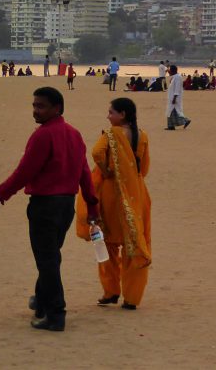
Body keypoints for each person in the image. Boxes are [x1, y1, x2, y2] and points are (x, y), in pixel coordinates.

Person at [0, 87, 100, 331]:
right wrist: (92, 203)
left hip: (45, 206)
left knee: (47, 260)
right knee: (50, 256)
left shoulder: (43, 135)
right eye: (34, 105)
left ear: (57, 108)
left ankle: (55, 313)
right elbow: (84, 172)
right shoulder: (74, 134)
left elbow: (25, 171)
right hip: (66, 206)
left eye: (41, 106)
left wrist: (1, 193)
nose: (35, 111)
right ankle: (41, 301)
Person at [76, 98, 152, 310]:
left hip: (111, 192)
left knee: (107, 243)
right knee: (134, 241)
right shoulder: (142, 136)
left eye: (111, 112)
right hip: (136, 192)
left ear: (123, 115)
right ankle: (132, 298)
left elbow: (96, 153)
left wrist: (106, 170)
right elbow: (144, 169)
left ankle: (111, 292)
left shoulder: (110, 135)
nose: (108, 116)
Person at [164, 65, 190, 130]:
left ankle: (186, 120)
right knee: (170, 111)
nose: (169, 72)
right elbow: (170, 75)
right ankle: (171, 126)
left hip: (175, 97)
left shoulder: (178, 77)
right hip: (171, 97)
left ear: (174, 71)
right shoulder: (174, 76)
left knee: (175, 111)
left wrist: (174, 98)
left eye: (170, 70)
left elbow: (177, 88)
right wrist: (167, 70)